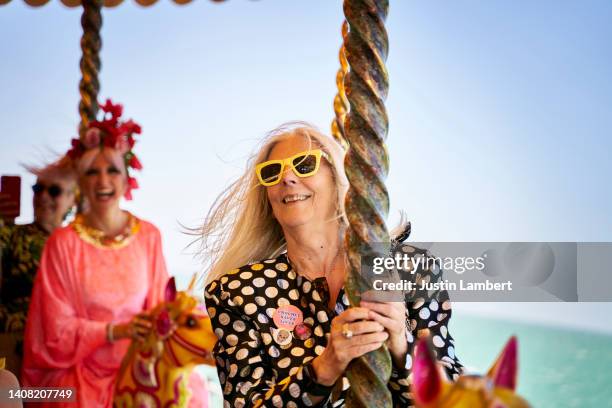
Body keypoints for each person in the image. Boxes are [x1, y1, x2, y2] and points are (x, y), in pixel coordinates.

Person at [202, 123, 463, 407]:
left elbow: (452, 396)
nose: (287, 177)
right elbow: (244, 403)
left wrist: (401, 345)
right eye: (272, 172)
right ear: (268, 197)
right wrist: (324, 367)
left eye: (304, 165)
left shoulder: (411, 269)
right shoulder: (237, 292)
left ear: (337, 177)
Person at [21, 100, 169, 406]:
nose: (103, 181)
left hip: (136, 369)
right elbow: (54, 333)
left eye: (112, 170)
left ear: (127, 178)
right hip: (76, 375)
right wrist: (116, 331)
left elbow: (159, 310)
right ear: (80, 183)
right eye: (92, 173)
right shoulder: (62, 244)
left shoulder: (148, 236)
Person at [0, 161, 77, 376]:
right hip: (13, 346)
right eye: (38, 188)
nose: (43, 196)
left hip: (60, 356)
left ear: (72, 200)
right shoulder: (11, 234)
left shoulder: (78, 247)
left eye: (54, 191)